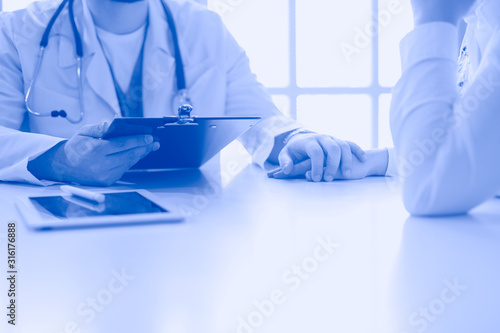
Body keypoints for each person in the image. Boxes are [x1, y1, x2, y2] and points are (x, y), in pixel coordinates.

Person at [0, 0, 390, 186]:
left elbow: (258, 118)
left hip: (188, 229)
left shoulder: (203, 30)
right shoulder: (18, 32)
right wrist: (58, 160)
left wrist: (296, 138)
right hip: (63, 230)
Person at [390, 0, 500, 215]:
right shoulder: (482, 17)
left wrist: (432, 16)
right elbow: (483, 146)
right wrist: (383, 161)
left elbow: (428, 187)